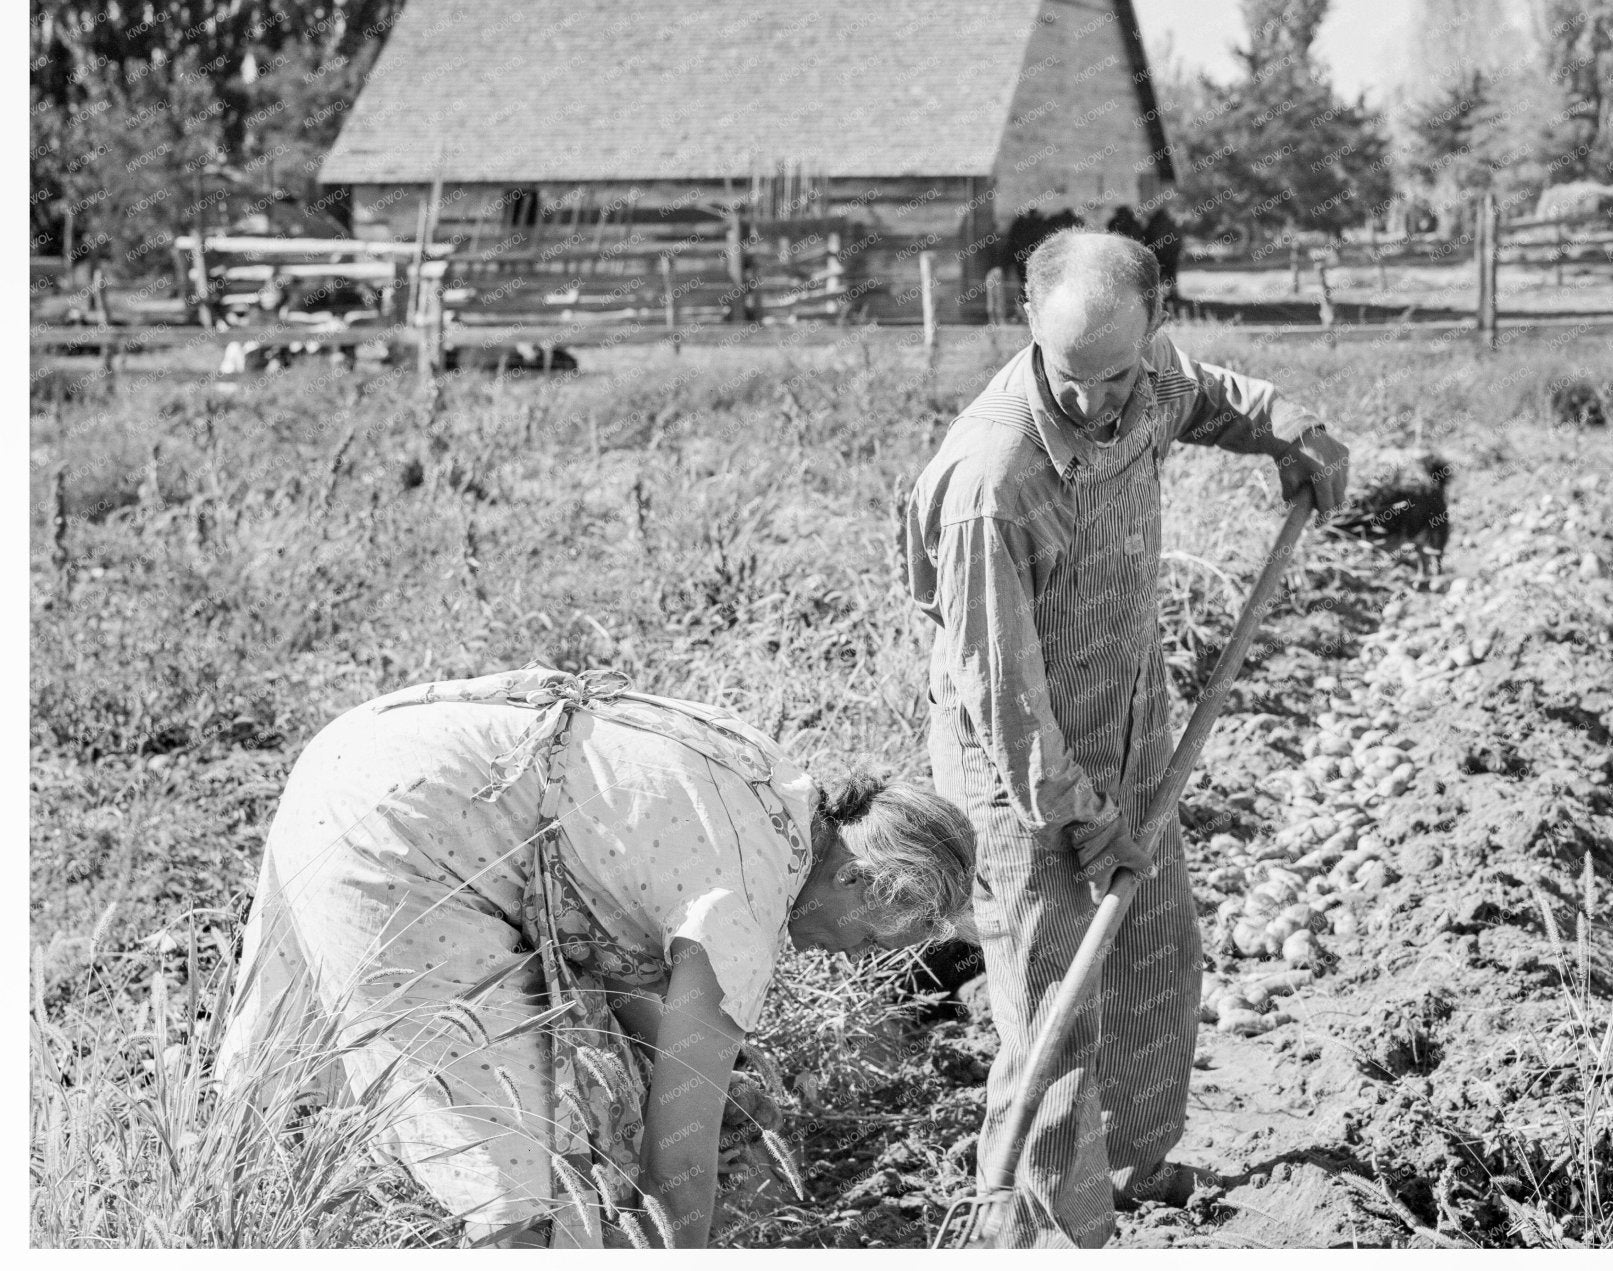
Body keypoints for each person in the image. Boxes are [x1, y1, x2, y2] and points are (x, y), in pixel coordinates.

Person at [900, 230, 1350, 1246]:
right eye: (1073, 376)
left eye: (1116, 373)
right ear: (1029, 328)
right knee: (1051, 1005)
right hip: (1020, 773)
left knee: (1155, 951)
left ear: (1149, 332)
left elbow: (1214, 395)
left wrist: (1295, 428)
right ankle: (1043, 1225)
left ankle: (1133, 1167)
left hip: (1129, 722)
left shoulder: (1142, 380)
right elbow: (1000, 698)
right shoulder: (993, 479)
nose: (1096, 401)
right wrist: (1083, 818)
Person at [216, 666, 974, 1247]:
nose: (851, 959)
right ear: (853, 875)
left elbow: (633, 939)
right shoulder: (747, 908)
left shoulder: (777, 791)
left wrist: (722, 1083)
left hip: (367, 749)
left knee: (290, 1094)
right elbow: (676, 1162)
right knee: (519, 1182)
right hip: (405, 835)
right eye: (872, 937)